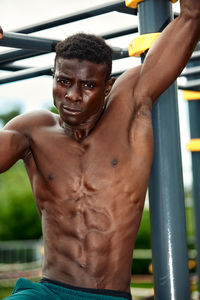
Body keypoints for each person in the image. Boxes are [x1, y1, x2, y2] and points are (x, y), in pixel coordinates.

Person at [0, 1, 200, 299]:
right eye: (63, 81)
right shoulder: (32, 129)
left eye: (87, 85)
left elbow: (191, 16)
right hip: (48, 292)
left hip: (109, 294)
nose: (72, 95)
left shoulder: (130, 105)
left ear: (107, 87)